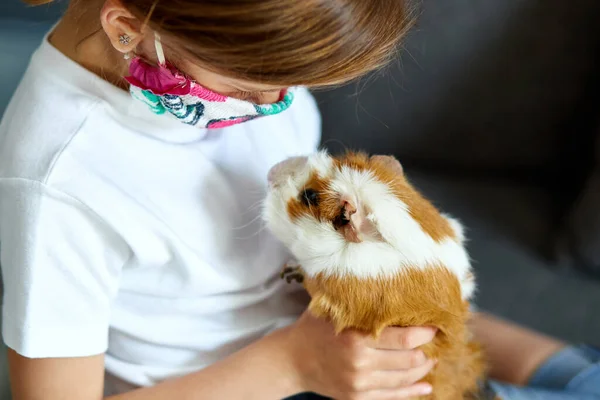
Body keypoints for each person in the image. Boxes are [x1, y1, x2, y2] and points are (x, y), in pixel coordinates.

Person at [0, 0, 598, 399]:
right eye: (249, 91)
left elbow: (321, 288)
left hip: (346, 347)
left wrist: (558, 366)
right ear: (124, 27)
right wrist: (295, 364)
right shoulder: (60, 182)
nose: (276, 106)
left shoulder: (248, 81)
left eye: (290, 89)